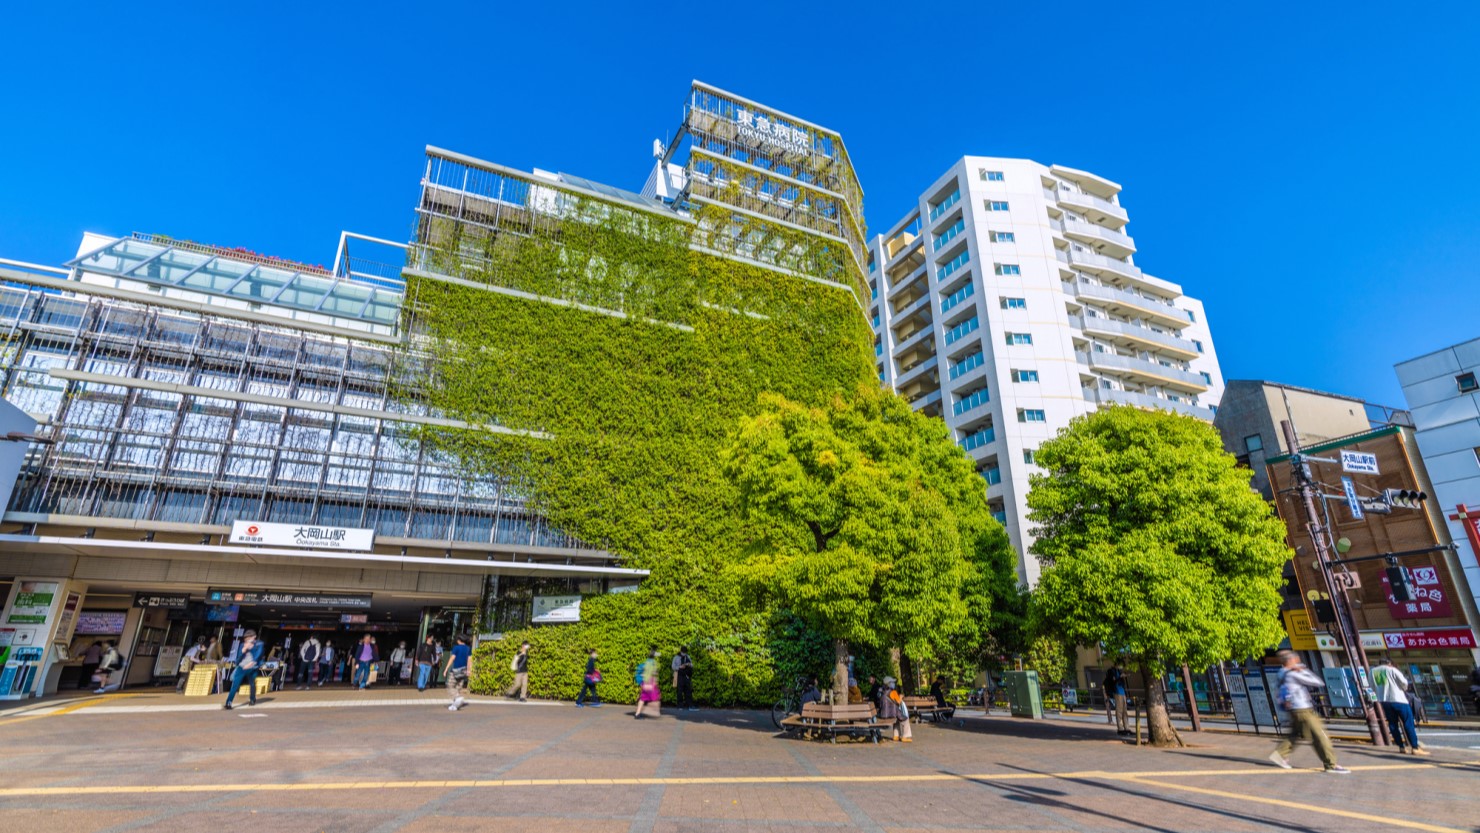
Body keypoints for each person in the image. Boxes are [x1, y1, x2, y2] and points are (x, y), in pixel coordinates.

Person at [1268, 650, 1349, 773]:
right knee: (1319, 735)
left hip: (1293, 709)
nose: (1299, 662)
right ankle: (1331, 764)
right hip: (1302, 709)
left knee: (1296, 733)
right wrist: (1303, 670)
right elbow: (1318, 682)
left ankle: (1280, 754)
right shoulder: (1293, 674)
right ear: (1291, 661)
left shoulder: (1281, 673)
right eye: (1297, 660)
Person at [1373, 657, 1429, 756]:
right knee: (1408, 722)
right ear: (1389, 663)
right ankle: (1414, 747)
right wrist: (1403, 689)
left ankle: (1401, 747)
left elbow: (1373, 686)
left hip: (1385, 701)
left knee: (1393, 724)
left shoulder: (1373, 672)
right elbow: (1404, 683)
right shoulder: (1392, 670)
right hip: (1399, 700)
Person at [223, 630, 263, 710]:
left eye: (249, 637)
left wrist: (251, 663)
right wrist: (243, 650)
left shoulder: (259, 644)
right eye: (246, 638)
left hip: (253, 667)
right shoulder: (242, 645)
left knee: (252, 683)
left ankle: (252, 699)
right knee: (235, 684)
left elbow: (258, 655)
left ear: (254, 637)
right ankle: (229, 702)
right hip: (242, 667)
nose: (247, 639)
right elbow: (238, 657)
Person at [444, 635, 473, 711]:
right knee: (458, 687)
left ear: (459, 640)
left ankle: (457, 697)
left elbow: (452, 658)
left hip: (456, 670)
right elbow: (469, 660)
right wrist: (469, 670)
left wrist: (446, 668)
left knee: (450, 685)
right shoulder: (468, 648)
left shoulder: (456, 648)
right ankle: (455, 705)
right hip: (463, 670)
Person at [879, 677, 912, 742]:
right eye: (892, 682)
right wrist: (901, 697)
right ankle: (906, 736)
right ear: (889, 684)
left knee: (896, 720)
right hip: (892, 713)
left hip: (884, 714)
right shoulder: (893, 692)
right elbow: (898, 702)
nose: (894, 684)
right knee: (905, 719)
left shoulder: (882, 691)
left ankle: (896, 736)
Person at [634, 647, 661, 719]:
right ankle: (651, 711)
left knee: (642, 698)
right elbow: (653, 673)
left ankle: (637, 714)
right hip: (650, 682)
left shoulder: (646, 662)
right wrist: (655, 682)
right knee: (655, 698)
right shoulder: (653, 663)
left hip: (644, 682)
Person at [1104, 662, 1130, 735]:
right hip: (1117, 692)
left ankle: (1127, 728)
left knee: (1125, 711)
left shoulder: (1119, 671)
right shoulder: (1111, 671)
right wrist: (1120, 677)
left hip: (1122, 692)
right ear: (1116, 664)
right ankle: (1120, 728)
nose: (1121, 666)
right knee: (1119, 711)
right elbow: (1112, 680)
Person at [672, 646, 695, 711]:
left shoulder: (688, 657)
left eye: (685, 652)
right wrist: (679, 667)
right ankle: (680, 705)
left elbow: (692, 665)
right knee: (679, 691)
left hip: (686, 675)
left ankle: (689, 705)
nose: (684, 653)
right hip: (679, 675)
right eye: (683, 652)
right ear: (681, 651)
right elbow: (673, 666)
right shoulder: (676, 657)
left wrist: (688, 664)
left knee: (688, 690)